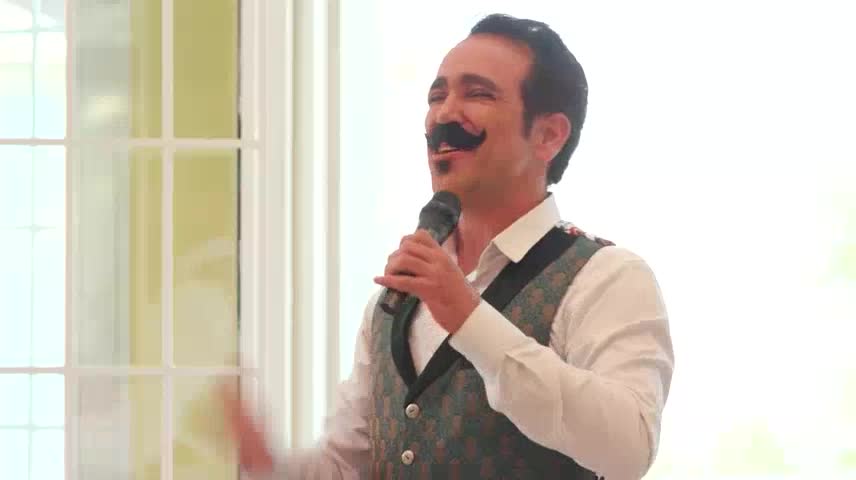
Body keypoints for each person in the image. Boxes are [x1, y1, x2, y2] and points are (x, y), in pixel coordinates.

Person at [222, 13, 674, 480]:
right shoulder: (395, 302)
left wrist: (467, 317)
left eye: (478, 94)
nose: (443, 115)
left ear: (548, 135)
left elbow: (630, 447)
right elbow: (347, 466)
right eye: (437, 97)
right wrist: (269, 464)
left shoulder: (607, 278)